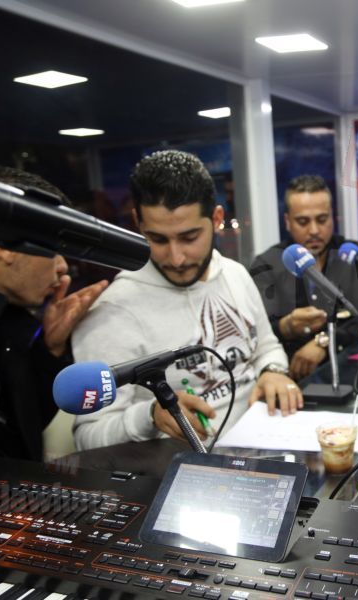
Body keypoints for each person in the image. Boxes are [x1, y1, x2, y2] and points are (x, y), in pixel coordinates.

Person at [72, 150, 299, 451]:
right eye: (158, 239)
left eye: (189, 237)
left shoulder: (235, 274)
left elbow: (266, 347)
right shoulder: (112, 312)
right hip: (179, 468)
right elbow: (88, 436)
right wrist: (149, 416)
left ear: (217, 219)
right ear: (138, 222)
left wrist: (273, 371)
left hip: (266, 446)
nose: (176, 258)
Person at [0, 166, 107, 460]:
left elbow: (19, 435)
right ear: (5, 245)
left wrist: (49, 349)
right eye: (53, 248)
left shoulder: (4, 320)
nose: (63, 266)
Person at [250, 175, 358, 380]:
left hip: (354, 374)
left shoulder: (352, 255)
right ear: (287, 222)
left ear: (333, 217)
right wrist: (287, 327)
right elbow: (255, 334)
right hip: (291, 380)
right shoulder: (267, 265)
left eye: (322, 220)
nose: (314, 230)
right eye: (303, 222)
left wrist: (326, 341)